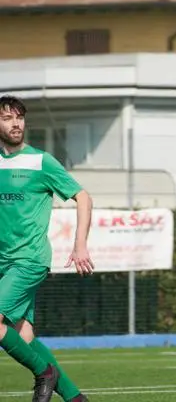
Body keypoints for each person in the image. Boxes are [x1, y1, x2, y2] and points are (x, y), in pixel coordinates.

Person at [0, 95, 94, 402]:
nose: (15, 124)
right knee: (24, 334)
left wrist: (79, 244)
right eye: (7, 118)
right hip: (3, 263)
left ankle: (45, 373)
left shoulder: (41, 161)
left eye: (19, 117)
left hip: (29, 260)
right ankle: (76, 399)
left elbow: (83, 197)